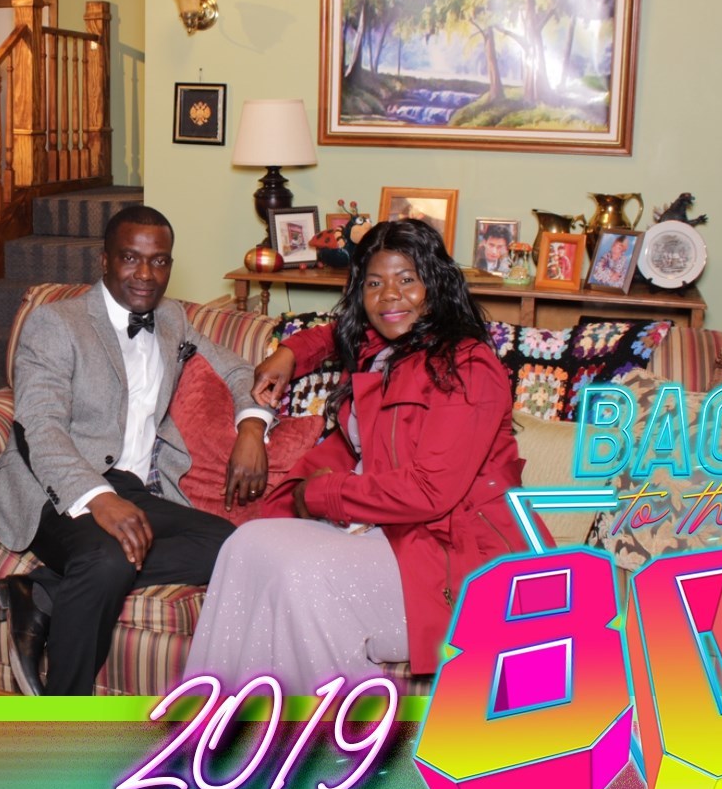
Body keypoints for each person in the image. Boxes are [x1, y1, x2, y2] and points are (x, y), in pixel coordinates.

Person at [182, 218, 540, 689]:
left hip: (457, 557)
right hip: (387, 533)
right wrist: (289, 354)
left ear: (435, 286)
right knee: (244, 546)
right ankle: (212, 718)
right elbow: (337, 334)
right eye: (374, 283)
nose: (389, 295)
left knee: (300, 576)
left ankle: (349, 727)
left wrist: (323, 494)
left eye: (406, 280)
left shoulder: (468, 366)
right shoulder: (383, 346)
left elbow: (429, 492)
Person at [0, 205, 274, 696]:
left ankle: (45, 590)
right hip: (52, 486)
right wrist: (98, 497)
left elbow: (238, 370)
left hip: (133, 486)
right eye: (131, 258)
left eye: (159, 261)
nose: (146, 274)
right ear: (104, 260)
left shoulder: (172, 318)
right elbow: (40, 426)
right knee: (108, 560)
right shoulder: (56, 323)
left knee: (230, 545)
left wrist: (251, 428)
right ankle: (64, 713)